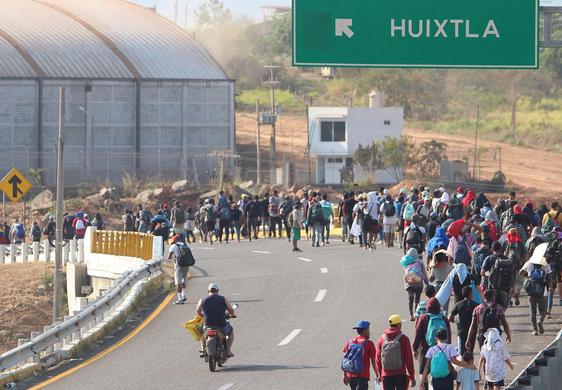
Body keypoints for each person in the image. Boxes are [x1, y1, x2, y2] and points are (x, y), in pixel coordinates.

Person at [413, 298, 451, 390]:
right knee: (440, 370)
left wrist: (415, 348)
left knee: (423, 372)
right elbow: (448, 336)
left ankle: (424, 387)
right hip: (441, 350)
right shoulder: (444, 319)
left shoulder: (423, 318)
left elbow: (418, 334)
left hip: (425, 349)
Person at [375, 315, 416, 389]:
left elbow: (378, 358)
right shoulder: (404, 338)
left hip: (386, 375)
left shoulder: (382, 339)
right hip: (400, 375)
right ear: (398, 324)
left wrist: (379, 374)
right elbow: (408, 359)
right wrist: (412, 376)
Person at [519, 242, 552, 335]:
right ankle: (540, 321)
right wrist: (549, 288)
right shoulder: (545, 264)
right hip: (543, 291)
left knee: (532, 311)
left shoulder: (529, 263)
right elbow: (549, 277)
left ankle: (535, 330)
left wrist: (527, 276)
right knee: (543, 310)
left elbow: (520, 272)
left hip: (531, 291)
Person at [196, 283, 236, 358]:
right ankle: (228, 351)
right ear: (218, 290)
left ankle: (202, 350)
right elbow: (231, 310)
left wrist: (203, 315)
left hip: (207, 325)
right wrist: (232, 314)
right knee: (230, 332)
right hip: (221, 325)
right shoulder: (223, 299)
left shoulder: (202, 300)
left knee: (202, 333)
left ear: (208, 291)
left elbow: (198, 311)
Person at [341, 320, 377, 390]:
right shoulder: (369, 343)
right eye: (368, 329)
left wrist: (345, 375)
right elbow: (373, 361)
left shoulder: (350, 342)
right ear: (365, 331)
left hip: (351, 375)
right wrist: (377, 375)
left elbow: (345, 359)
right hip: (362, 376)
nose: (369, 331)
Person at [401, 248, 429, 321]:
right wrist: (427, 283)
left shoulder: (406, 262)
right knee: (417, 299)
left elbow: (406, 274)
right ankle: (416, 314)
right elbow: (424, 273)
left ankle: (411, 315)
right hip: (419, 284)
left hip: (409, 284)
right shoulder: (420, 262)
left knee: (411, 297)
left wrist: (406, 281)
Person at [449, 286, 478, 355]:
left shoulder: (458, 305)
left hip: (461, 331)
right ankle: (469, 364)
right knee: (470, 352)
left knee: (461, 353)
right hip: (472, 332)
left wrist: (458, 322)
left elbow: (449, 318)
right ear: (471, 294)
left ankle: (462, 364)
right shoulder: (476, 305)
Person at [168, 235, 190, 304]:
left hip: (178, 265)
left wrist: (175, 257)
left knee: (178, 282)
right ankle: (183, 295)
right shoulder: (184, 245)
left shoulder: (173, 246)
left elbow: (169, 257)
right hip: (186, 265)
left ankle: (180, 299)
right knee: (183, 280)